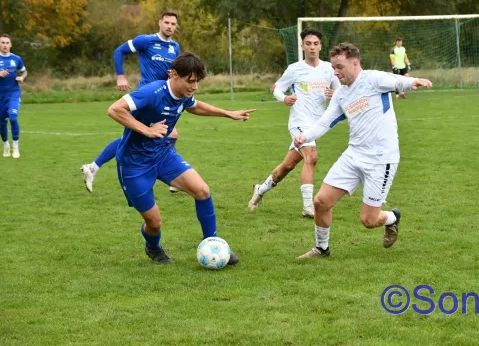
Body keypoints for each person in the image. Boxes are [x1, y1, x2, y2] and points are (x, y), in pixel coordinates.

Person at [108, 51, 255, 264]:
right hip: (134, 164)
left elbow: (194, 105)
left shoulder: (184, 95)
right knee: (154, 223)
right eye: (190, 81)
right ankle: (153, 247)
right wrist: (146, 130)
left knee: (202, 191)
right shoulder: (152, 92)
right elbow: (114, 109)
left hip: (163, 154)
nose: (194, 87)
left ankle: (212, 243)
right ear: (174, 74)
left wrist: (228, 113)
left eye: (197, 82)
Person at [294, 43, 432, 259]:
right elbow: (324, 122)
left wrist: (412, 81)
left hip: (381, 159)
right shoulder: (341, 95)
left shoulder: (373, 79)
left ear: (355, 63)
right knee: (321, 202)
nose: (336, 72)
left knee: (368, 220)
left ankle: (392, 218)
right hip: (353, 155)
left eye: (340, 67)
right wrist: (305, 136)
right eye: (333, 67)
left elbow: (396, 81)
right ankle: (321, 249)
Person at [81, 11, 180, 192]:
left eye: (173, 24)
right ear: (159, 22)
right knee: (167, 134)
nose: (169, 26)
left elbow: (174, 72)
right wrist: (120, 76)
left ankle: (93, 167)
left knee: (145, 137)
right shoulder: (146, 41)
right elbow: (119, 51)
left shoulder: (175, 47)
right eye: (167, 22)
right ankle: (174, 178)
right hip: (145, 99)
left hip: (162, 99)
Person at [247, 29, 340, 217]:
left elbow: (341, 92)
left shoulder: (329, 69)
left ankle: (260, 189)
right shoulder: (294, 69)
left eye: (315, 44)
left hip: (316, 126)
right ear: (302, 46)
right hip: (298, 121)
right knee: (311, 157)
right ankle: (308, 207)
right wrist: (284, 98)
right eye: (308, 44)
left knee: (287, 166)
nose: (312, 47)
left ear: (320, 46)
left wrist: (335, 94)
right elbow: (276, 88)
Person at [0, 34, 27, 159]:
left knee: (13, 117)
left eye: (7, 43)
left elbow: (24, 71)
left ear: (10, 45)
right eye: (2, 43)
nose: (5, 45)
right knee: (1, 123)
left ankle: (15, 146)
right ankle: (6, 145)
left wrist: (22, 77)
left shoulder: (16, 58)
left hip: (13, 93)